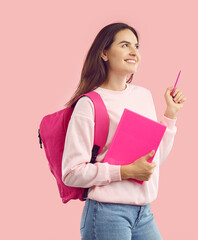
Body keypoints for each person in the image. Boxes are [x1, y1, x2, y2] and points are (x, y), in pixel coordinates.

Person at [61, 22, 186, 240]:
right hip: (106, 214)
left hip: (144, 214)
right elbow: (71, 173)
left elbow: (153, 160)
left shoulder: (143, 96)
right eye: (125, 44)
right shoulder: (89, 104)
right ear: (105, 53)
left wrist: (171, 115)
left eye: (136, 46)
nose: (133, 52)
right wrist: (125, 172)